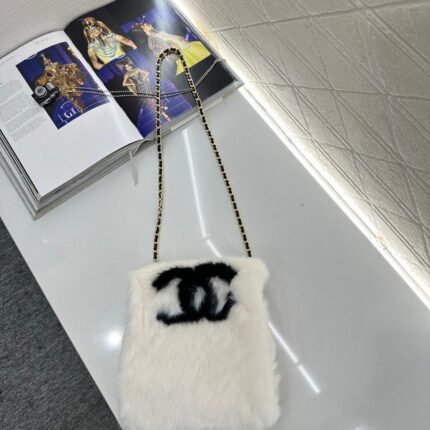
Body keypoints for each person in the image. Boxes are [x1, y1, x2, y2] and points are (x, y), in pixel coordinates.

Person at [132, 19, 211, 75]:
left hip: (190, 49)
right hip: (187, 56)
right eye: (145, 24)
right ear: (144, 30)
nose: (148, 24)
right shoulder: (153, 41)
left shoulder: (156, 32)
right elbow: (167, 56)